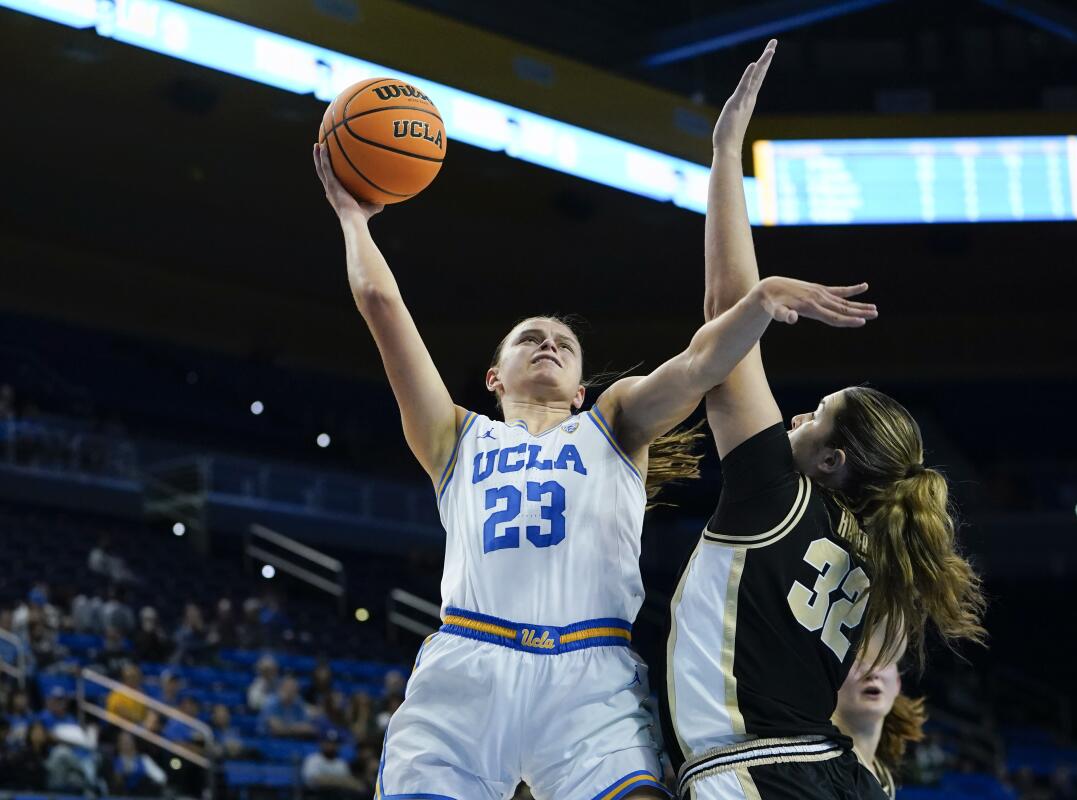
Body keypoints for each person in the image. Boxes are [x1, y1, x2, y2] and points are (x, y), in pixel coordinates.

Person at [313, 140, 848, 800]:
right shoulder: (453, 435)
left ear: (578, 392)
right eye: (530, 339)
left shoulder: (614, 421)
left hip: (591, 676)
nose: (548, 344)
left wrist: (757, 303)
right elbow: (380, 304)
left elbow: (701, 365)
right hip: (470, 668)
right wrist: (353, 220)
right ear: (493, 376)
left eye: (564, 344)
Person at [661, 41, 985, 800]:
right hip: (834, 773)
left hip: (761, 778)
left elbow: (724, 321)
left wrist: (725, 152)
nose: (796, 413)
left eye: (816, 415)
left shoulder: (777, 495)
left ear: (833, 461)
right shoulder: (881, 556)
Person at [831, 636, 927, 798]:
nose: (872, 672)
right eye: (856, 660)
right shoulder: (810, 765)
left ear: (897, 683)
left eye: (884, 660)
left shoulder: (883, 778)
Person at [301, 727, 364, 800]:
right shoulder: (312, 760)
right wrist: (340, 781)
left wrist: (334, 780)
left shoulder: (341, 763)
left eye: (334, 743)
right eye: (328, 742)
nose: (331, 746)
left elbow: (350, 782)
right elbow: (316, 780)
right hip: (317, 796)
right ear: (321, 743)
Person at [107, 731, 167, 797]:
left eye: (128, 741)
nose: (125, 744)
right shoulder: (113, 762)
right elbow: (114, 784)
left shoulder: (144, 759)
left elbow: (161, 778)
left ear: (134, 743)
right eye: (122, 741)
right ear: (118, 744)